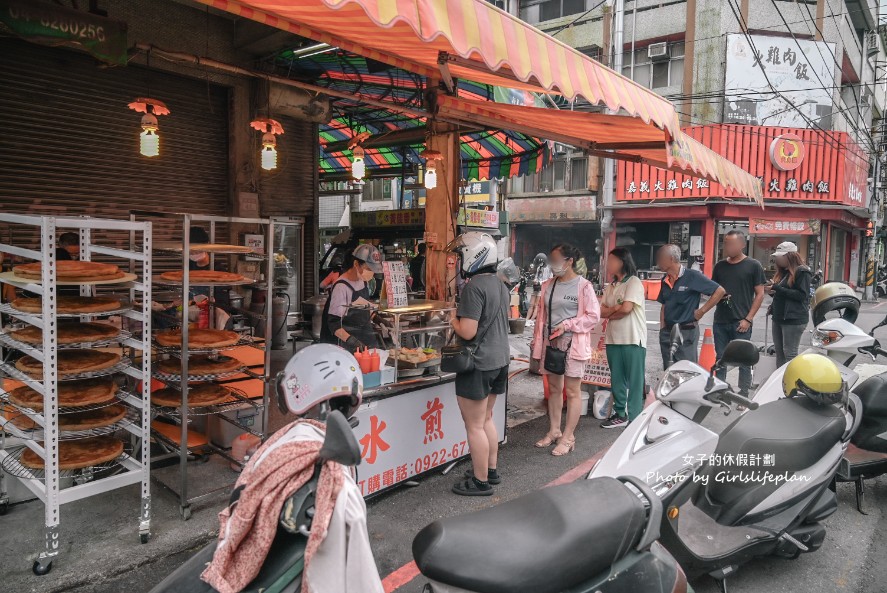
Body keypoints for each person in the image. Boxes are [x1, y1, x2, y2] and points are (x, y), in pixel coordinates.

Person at [447, 232, 510, 496]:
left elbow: (469, 331)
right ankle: (490, 470)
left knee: (474, 425)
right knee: (486, 419)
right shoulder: (500, 284)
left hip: (478, 363)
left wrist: (452, 318)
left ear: (474, 255)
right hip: (500, 360)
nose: (460, 260)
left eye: (461, 254)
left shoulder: (474, 287)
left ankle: (480, 481)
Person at [531, 244, 600, 455]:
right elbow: (541, 316)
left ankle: (569, 437)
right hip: (551, 343)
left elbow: (593, 317)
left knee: (572, 391)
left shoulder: (584, 286)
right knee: (554, 389)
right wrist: (537, 341)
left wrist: (568, 325)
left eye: (556, 260)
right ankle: (554, 431)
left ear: (569, 261)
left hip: (573, 344)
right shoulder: (548, 285)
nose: (553, 265)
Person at [711, 230, 766, 395]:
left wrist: (748, 319)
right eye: (726, 243)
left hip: (741, 322)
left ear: (742, 245)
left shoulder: (753, 265)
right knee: (721, 358)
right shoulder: (720, 266)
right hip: (720, 320)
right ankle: (720, 391)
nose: (728, 247)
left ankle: (743, 393)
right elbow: (714, 290)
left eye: (732, 243)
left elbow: (760, 294)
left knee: (743, 359)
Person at [657, 244, 726, 368]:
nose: (658, 262)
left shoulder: (692, 276)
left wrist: (702, 311)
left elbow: (720, 291)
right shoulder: (664, 279)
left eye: (661, 258)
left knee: (686, 370)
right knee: (669, 370)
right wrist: (662, 329)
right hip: (667, 332)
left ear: (671, 259)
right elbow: (664, 305)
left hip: (686, 331)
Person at [599, 248, 646, 428]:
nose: (608, 264)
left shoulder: (633, 282)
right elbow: (601, 312)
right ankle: (620, 413)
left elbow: (627, 309)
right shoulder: (610, 286)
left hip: (633, 338)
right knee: (616, 378)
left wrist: (613, 311)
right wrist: (615, 310)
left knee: (635, 379)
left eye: (611, 260)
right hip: (613, 339)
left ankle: (635, 417)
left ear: (622, 262)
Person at [319, 244, 384, 352]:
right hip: (347, 346)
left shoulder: (363, 281)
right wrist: (352, 341)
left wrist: (378, 319)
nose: (371, 273)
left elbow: (363, 309)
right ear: (356, 264)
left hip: (367, 339)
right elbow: (334, 324)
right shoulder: (341, 287)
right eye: (368, 268)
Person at [768, 242, 812, 367]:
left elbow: (802, 296)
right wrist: (773, 293)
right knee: (780, 353)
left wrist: (777, 288)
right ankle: (779, 382)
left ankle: (790, 382)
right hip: (779, 316)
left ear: (790, 256)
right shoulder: (784, 272)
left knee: (790, 353)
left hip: (794, 318)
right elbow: (784, 295)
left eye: (780, 256)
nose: (777, 259)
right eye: (777, 257)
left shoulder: (802, 271)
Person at [526, 253, 552, 321]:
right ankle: (527, 319)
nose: (539, 264)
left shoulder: (548, 268)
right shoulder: (538, 268)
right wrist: (535, 280)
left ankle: (531, 319)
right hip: (536, 287)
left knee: (536, 305)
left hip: (542, 289)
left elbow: (550, 279)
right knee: (531, 304)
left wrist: (540, 282)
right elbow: (537, 276)